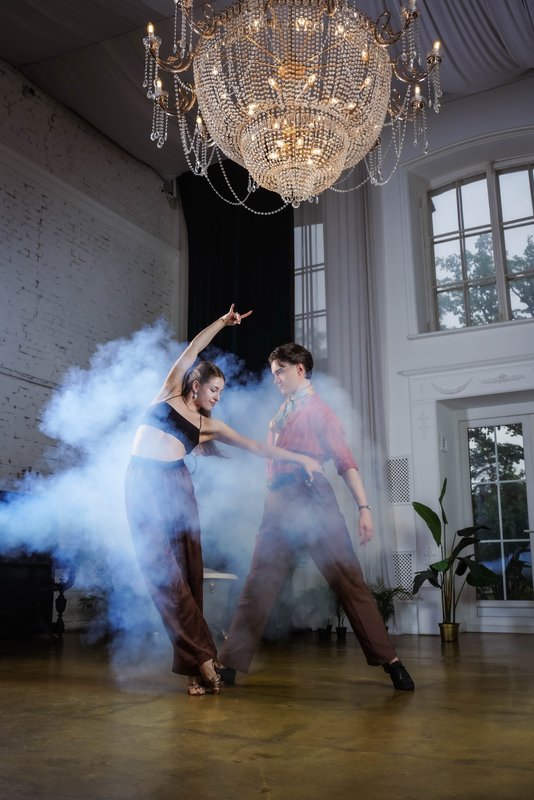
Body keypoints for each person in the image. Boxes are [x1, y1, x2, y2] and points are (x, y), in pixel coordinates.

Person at [124, 308, 322, 696]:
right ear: (195, 384)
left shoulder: (208, 425)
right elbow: (193, 348)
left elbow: (255, 447)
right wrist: (221, 322)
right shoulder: (169, 391)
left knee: (188, 576)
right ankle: (203, 658)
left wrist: (299, 458)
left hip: (177, 486)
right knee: (164, 577)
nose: (218, 397)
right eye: (214, 390)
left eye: (222, 392)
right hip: (142, 484)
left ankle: (195, 670)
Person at [219, 343, 415, 691]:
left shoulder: (321, 412)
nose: (275, 378)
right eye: (273, 372)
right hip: (278, 502)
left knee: (348, 579)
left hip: (312, 497)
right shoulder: (282, 412)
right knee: (258, 581)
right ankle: (230, 663)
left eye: (280, 371)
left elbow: (345, 463)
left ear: (300, 369)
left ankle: (391, 662)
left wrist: (364, 509)